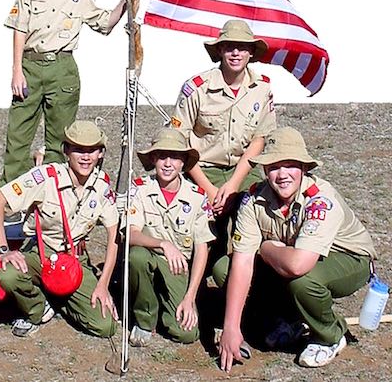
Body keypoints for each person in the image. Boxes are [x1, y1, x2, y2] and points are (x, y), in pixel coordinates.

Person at [218, 127, 377, 372]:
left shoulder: (320, 199)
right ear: (264, 170)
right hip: (292, 255)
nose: (282, 174)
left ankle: (331, 335)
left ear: (304, 168)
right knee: (223, 269)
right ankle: (288, 319)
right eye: (273, 167)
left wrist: (266, 248)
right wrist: (231, 327)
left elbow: (298, 265)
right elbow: (242, 261)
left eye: (290, 165)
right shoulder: (254, 200)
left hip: (348, 258)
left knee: (304, 282)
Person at [0, 0, 130, 187]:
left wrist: (125, 1)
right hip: (31, 66)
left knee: (59, 140)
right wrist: (16, 70)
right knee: (18, 135)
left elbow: (104, 23)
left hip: (63, 68)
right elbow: (19, 28)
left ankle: (51, 199)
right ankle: (10, 198)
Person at [0, 120, 120, 338]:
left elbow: (114, 235)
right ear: (66, 150)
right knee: (8, 274)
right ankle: (37, 308)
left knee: (105, 326)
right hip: (40, 253)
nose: (85, 157)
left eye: (91, 150)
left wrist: (103, 284)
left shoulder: (102, 187)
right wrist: (4, 250)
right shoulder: (46, 177)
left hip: (74, 259)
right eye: (78, 149)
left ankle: (59, 298)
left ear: (101, 153)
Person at [171, 19, 276, 263]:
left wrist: (233, 185)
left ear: (251, 52)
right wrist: (209, 189)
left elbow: (259, 140)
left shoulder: (262, 88)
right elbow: (180, 142)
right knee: (201, 230)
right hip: (201, 169)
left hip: (243, 170)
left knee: (255, 214)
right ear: (219, 50)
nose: (236, 53)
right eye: (229, 47)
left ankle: (242, 275)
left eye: (242, 47)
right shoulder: (197, 88)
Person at [125, 127, 215, 346]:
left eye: (174, 157)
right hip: (149, 258)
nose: (167, 163)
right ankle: (145, 318)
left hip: (178, 270)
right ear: (153, 159)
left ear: (183, 162)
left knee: (185, 334)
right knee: (137, 257)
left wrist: (190, 296)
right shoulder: (139, 189)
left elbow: (202, 248)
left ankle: (167, 304)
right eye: (162, 156)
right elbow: (130, 233)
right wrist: (163, 244)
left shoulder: (197, 198)